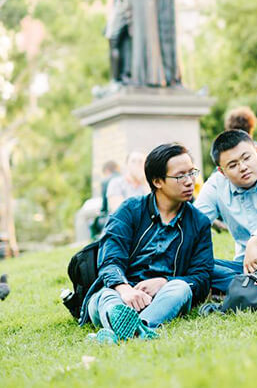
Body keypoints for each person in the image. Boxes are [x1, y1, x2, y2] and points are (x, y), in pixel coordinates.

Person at [80, 144, 213, 344]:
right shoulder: (130, 210)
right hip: (120, 292)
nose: (190, 182)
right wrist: (125, 289)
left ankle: (134, 326)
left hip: (163, 297)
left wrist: (164, 282)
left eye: (191, 173)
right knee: (105, 297)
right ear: (157, 181)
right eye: (180, 176)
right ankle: (135, 331)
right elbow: (109, 260)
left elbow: (202, 276)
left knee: (181, 288)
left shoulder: (199, 222)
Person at [194, 130, 257, 293]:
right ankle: (253, 285)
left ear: (256, 151)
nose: (243, 167)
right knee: (196, 265)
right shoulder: (215, 185)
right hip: (245, 266)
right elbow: (194, 222)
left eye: (247, 158)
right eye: (233, 165)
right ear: (221, 171)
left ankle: (243, 287)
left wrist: (256, 240)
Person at [90, 161, 120, 239]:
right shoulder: (123, 177)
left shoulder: (105, 181)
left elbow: (105, 204)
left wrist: (101, 212)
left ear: (107, 171)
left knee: (94, 224)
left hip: (112, 214)